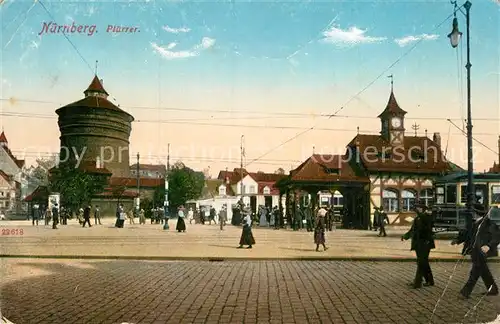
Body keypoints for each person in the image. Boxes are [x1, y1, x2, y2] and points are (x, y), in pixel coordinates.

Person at [452, 203, 499, 298]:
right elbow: (468, 235)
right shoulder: (475, 223)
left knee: (475, 272)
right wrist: (457, 240)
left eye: (473, 212)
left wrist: (488, 246)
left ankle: (465, 293)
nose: (472, 214)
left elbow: (497, 236)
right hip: (475, 251)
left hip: (482, 251)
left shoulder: (488, 223)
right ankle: (493, 289)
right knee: (483, 271)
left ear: (477, 213)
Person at [401, 202, 435, 288]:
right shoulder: (417, 219)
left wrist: (419, 213)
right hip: (418, 244)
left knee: (421, 263)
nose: (416, 209)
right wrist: (405, 236)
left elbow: (426, 223)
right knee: (424, 263)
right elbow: (412, 230)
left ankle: (417, 283)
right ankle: (430, 281)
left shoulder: (427, 217)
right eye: (416, 208)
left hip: (425, 243)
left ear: (423, 209)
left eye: (418, 208)